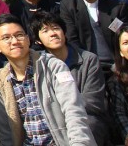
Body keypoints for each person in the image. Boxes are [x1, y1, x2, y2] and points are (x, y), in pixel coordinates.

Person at [0, 14, 96, 146]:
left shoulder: (53, 66)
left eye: (19, 35)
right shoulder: (0, 81)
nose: (15, 41)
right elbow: (5, 132)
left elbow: (74, 110)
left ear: (28, 39)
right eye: (6, 38)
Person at [30, 11, 110, 146]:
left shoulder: (88, 60)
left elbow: (94, 101)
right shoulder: (39, 64)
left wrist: (64, 109)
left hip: (86, 116)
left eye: (56, 28)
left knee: (88, 126)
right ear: (38, 40)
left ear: (64, 32)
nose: (53, 33)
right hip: (54, 120)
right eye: (45, 31)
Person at [58, 0, 120, 70]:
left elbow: (122, 34)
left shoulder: (116, 6)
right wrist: (87, 64)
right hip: (87, 65)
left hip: (116, 64)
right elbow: (71, 39)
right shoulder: (68, 7)